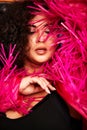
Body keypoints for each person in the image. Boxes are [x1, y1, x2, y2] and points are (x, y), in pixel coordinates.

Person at [0, 0, 85, 129]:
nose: (41, 38)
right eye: (31, 30)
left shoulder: (73, 89)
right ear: (19, 37)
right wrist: (13, 88)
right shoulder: (5, 85)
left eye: (48, 31)